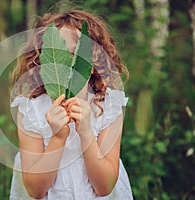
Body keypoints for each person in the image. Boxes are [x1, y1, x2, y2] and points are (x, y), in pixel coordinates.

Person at [10, 9, 133, 199]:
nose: (65, 66)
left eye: (74, 55)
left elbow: (104, 187)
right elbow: (35, 190)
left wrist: (86, 133)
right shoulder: (31, 110)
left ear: (92, 63)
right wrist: (58, 138)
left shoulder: (107, 107)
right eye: (56, 56)